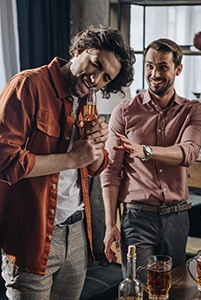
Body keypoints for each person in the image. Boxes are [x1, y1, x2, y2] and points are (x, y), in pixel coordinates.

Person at [0, 25, 135, 299]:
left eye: (105, 78)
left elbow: (95, 168)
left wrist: (98, 145)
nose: (95, 79)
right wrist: (72, 158)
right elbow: (6, 161)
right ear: (79, 50)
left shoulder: (88, 101)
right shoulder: (28, 85)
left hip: (76, 235)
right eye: (95, 64)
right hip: (33, 235)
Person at [100, 38, 201, 276]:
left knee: (174, 288)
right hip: (137, 218)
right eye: (149, 66)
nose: (154, 73)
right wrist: (110, 225)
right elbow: (111, 171)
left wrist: (145, 151)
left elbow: (189, 152)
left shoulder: (193, 110)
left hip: (177, 218)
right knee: (138, 288)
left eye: (163, 67)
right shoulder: (124, 112)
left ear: (178, 69)